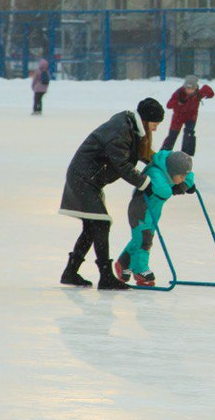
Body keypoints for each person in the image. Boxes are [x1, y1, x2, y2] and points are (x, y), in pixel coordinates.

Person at [58, 98, 165, 290]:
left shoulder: (130, 128)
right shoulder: (121, 130)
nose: (155, 129)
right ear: (147, 120)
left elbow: (140, 154)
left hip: (90, 179)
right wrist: (144, 183)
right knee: (101, 223)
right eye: (155, 124)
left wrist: (164, 165)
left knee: (93, 226)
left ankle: (71, 272)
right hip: (83, 178)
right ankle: (105, 275)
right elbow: (122, 164)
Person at [115, 150, 195, 287]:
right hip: (140, 210)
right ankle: (140, 270)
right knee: (144, 239)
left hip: (152, 212)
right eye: (181, 177)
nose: (182, 179)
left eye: (183, 176)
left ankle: (124, 263)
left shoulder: (172, 171)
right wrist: (176, 188)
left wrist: (185, 184)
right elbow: (163, 190)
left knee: (141, 238)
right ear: (172, 171)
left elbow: (189, 176)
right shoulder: (155, 172)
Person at [162, 75, 214, 155]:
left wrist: (210, 95)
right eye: (187, 88)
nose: (189, 91)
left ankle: (186, 154)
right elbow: (168, 105)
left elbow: (208, 90)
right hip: (178, 117)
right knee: (172, 135)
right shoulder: (179, 93)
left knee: (189, 133)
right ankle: (163, 153)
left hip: (191, 116)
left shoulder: (199, 93)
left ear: (196, 88)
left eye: (192, 89)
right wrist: (178, 102)